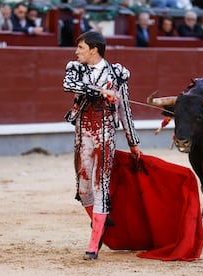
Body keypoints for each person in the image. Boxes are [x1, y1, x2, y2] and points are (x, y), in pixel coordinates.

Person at [62, 31, 141, 260]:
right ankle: (101, 223)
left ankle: (94, 244)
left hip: (106, 132)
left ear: (94, 50)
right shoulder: (75, 68)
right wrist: (101, 91)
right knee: (83, 189)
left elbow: (125, 110)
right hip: (83, 133)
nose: (77, 52)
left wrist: (133, 142)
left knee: (100, 185)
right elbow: (68, 85)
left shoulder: (117, 73)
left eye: (81, 48)